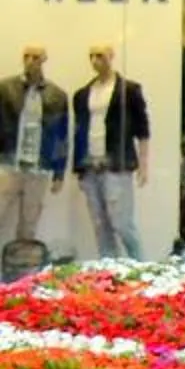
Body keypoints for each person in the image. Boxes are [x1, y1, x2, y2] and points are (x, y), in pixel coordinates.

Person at [70, 44, 150, 263]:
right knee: (99, 223)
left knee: (122, 222)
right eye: (92, 56)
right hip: (90, 164)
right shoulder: (82, 95)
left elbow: (142, 128)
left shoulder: (128, 90)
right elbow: (78, 130)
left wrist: (143, 163)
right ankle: (109, 271)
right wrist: (78, 165)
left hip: (117, 163)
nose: (95, 60)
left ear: (111, 57)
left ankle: (140, 265)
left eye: (100, 56)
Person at [0, 47, 70, 254]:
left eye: (36, 57)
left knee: (29, 224)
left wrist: (59, 171)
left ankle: (19, 276)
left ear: (44, 61)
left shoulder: (57, 95)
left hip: (39, 167)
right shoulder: (6, 88)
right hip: (8, 162)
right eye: (26, 57)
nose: (30, 61)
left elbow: (61, 135)